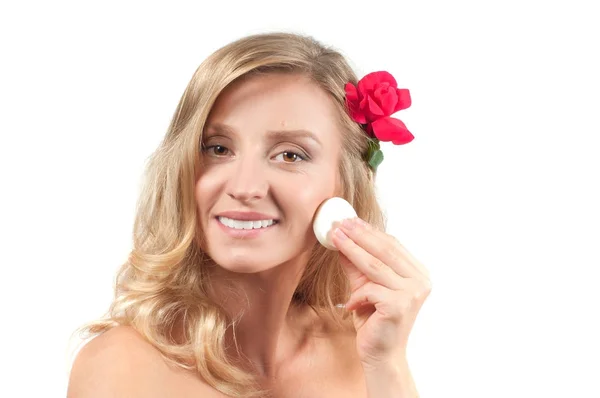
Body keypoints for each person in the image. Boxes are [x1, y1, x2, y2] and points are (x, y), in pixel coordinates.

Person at [67, 31, 432, 398]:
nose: (244, 186)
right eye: (218, 148)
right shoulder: (122, 369)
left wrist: (387, 365)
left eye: (290, 155)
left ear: (345, 185)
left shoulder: (364, 349)